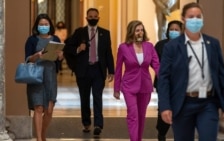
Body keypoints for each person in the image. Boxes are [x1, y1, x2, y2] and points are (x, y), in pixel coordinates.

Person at [157, 2, 224, 141]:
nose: (195, 20)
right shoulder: (172, 47)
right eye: (191, 16)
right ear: (183, 19)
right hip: (182, 103)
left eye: (198, 17)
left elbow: (222, 75)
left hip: (208, 103)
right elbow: (164, 78)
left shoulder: (213, 44)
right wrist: (165, 106)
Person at [64, 8, 114, 136]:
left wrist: (111, 71)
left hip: (98, 70)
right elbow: (67, 47)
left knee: (98, 97)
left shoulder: (105, 33)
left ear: (98, 18)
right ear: (86, 18)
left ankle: (98, 124)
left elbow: (108, 53)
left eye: (95, 16)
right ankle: (86, 123)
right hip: (83, 71)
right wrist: (78, 49)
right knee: (84, 98)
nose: (92, 18)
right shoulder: (79, 32)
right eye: (90, 16)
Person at [113, 20, 160, 141]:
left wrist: (165, 81)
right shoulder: (123, 47)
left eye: (142, 30)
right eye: (137, 30)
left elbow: (157, 65)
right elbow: (118, 69)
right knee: (133, 115)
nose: (140, 33)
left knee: (141, 116)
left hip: (145, 86)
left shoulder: (149, 46)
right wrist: (116, 88)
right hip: (129, 86)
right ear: (131, 32)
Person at [24, 13, 63, 141]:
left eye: (46, 24)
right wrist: (37, 55)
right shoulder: (32, 40)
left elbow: (59, 60)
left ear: (50, 25)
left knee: (49, 110)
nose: (44, 26)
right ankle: (39, 138)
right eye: (41, 24)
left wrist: (60, 56)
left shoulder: (55, 39)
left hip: (50, 76)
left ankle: (43, 133)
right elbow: (27, 59)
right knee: (38, 107)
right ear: (37, 26)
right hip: (36, 76)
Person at [153, 20, 183, 141]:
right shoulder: (160, 45)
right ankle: (161, 132)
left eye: (177, 29)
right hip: (164, 83)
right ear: (167, 31)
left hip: (180, 84)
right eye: (171, 29)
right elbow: (154, 62)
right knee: (164, 108)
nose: (174, 32)